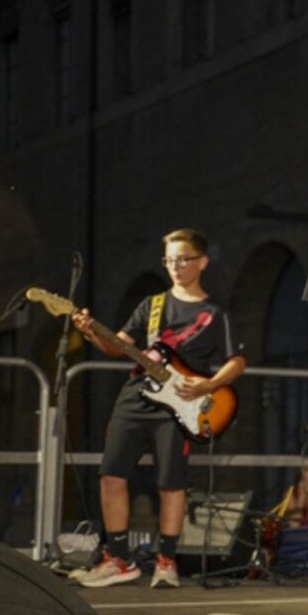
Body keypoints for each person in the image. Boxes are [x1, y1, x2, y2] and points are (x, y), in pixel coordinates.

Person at [71, 228, 246, 589]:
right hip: (136, 395)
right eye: (169, 260)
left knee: (170, 482)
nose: (175, 266)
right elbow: (120, 347)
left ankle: (167, 561)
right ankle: (118, 559)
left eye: (183, 259)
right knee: (111, 473)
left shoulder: (215, 313)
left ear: (202, 262)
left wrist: (207, 385)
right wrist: (91, 333)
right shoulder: (151, 306)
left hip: (182, 401)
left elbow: (237, 362)